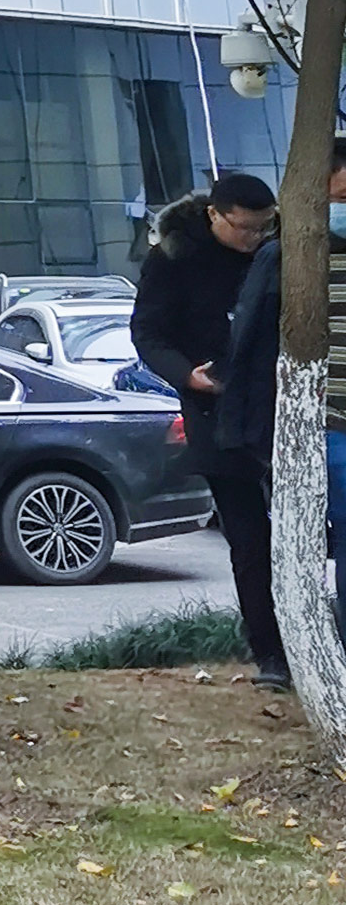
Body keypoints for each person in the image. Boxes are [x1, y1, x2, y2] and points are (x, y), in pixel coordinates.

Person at [133, 171, 281, 681]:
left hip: (279, 402)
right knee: (248, 538)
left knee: (302, 531)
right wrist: (187, 376)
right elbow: (148, 333)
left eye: (264, 228)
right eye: (244, 228)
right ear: (214, 215)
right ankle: (269, 649)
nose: (254, 239)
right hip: (216, 411)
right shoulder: (175, 257)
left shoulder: (280, 248)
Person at [215, 134, 346, 679]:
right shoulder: (285, 258)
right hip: (319, 426)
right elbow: (250, 346)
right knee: (305, 546)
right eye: (342, 196)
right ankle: (301, 656)